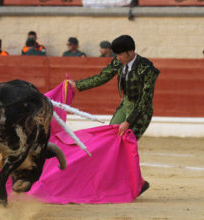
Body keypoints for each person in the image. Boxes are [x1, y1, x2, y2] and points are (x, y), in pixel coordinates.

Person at [69, 35, 160, 195]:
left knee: (124, 145)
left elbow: (145, 100)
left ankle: (138, 183)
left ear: (131, 52)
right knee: (111, 139)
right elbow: (102, 77)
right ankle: (115, 181)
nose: (117, 58)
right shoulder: (119, 62)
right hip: (126, 104)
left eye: (120, 55)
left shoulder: (147, 69)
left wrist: (129, 122)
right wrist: (78, 85)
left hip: (140, 112)